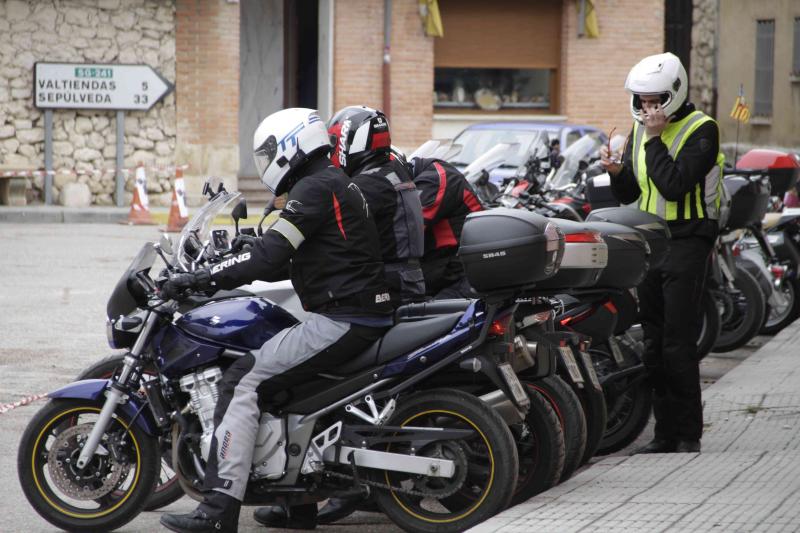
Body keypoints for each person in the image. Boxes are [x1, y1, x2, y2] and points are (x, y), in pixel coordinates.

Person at [159, 108, 394, 533]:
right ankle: (296, 506)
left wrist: (203, 277)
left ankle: (218, 508)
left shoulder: (314, 187)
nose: (267, 161)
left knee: (242, 380)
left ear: (291, 145)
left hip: (345, 317)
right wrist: (239, 259)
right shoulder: (331, 181)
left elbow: (270, 256)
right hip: (358, 311)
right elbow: (286, 258)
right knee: (286, 390)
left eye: (269, 153)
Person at [252, 105, 426, 529]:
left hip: (378, 292)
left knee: (303, 376)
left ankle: (338, 487)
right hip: (401, 284)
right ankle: (302, 491)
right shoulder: (391, 174)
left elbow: (317, 233)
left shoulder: (361, 185)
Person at [600, 52, 724, 454]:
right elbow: (632, 193)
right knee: (652, 339)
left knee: (677, 339)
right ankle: (663, 432)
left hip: (689, 238)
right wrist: (616, 172)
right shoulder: (640, 132)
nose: (648, 109)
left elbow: (674, 185)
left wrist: (654, 139)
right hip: (651, 240)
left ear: (674, 94)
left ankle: (687, 434)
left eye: (655, 101)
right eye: (642, 101)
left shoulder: (702, 129)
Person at [409, 156, 484, 299]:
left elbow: (407, 228)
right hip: (444, 268)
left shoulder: (435, 178)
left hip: (460, 274)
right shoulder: (425, 173)